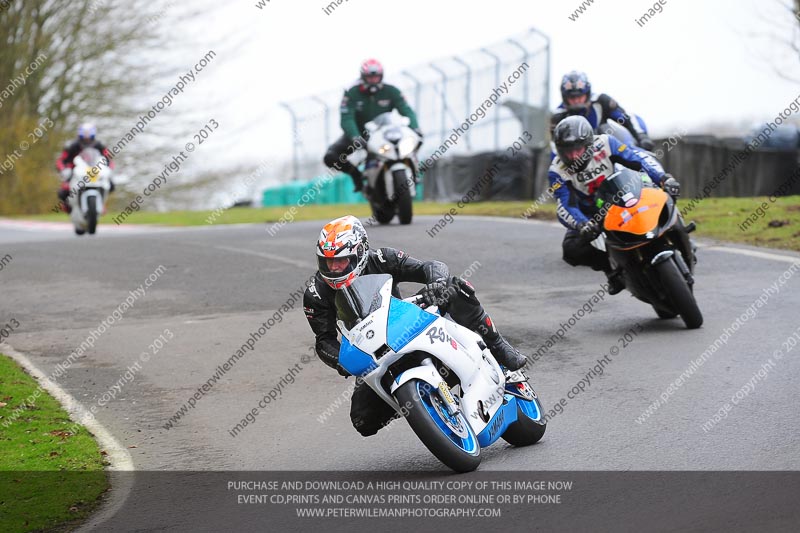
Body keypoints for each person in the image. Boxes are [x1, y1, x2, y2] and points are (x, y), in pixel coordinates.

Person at [303, 215, 527, 436]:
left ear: (360, 252)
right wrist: (341, 362)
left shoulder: (382, 258)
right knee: (363, 421)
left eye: (341, 261)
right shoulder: (315, 293)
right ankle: (421, 403)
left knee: (453, 287)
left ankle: (498, 345)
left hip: (408, 322)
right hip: (373, 350)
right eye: (328, 262)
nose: (334, 269)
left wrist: (436, 284)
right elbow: (324, 341)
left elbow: (431, 266)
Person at [548, 116, 681, 294]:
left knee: (663, 194)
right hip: (590, 215)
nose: (573, 156)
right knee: (571, 249)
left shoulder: (606, 143)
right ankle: (612, 271)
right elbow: (565, 205)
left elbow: (636, 158)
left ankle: (679, 232)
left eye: (578, 150)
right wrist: (582, 224)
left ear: (588, 144)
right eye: (567, 151)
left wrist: (664, 178)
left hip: (622, 195)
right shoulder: (556, 172)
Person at [323, 59, 422, 192]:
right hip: (360, 135)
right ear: (363, 76)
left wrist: (415, 127)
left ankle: (414, 173)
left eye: (376, 77)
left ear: (381, 76)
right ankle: (356, 175)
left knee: (414, 142)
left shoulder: (391, 91)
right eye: (370, 77)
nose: (373, 80)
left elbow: (406, 110)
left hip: (384, 132)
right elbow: (347, 119)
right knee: (331, 157)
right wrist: (355, 137)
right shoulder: (352, 93)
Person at [550, 71, 654, 151]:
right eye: (572, 97)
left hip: (608, 152)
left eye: (580, 96)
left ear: (587, 94)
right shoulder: (558, 116)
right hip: (578, 162)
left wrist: (642, 137)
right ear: (565, 97)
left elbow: (626, 118)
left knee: (605, 128)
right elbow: (555, 148)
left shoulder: (601, 101)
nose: (577, 101)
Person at [55, 123, 115, 213]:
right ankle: (67, 206)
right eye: (85, 132)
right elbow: (61, 160)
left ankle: (101, 203)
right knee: (63, 190)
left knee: (110, 185)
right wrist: (64, 169)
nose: (86, 135)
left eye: (88, 132)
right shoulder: (72, 145)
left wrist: (109, 169)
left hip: (94, 170)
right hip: (75, 171)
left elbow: (108, 159)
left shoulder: (99, 145)